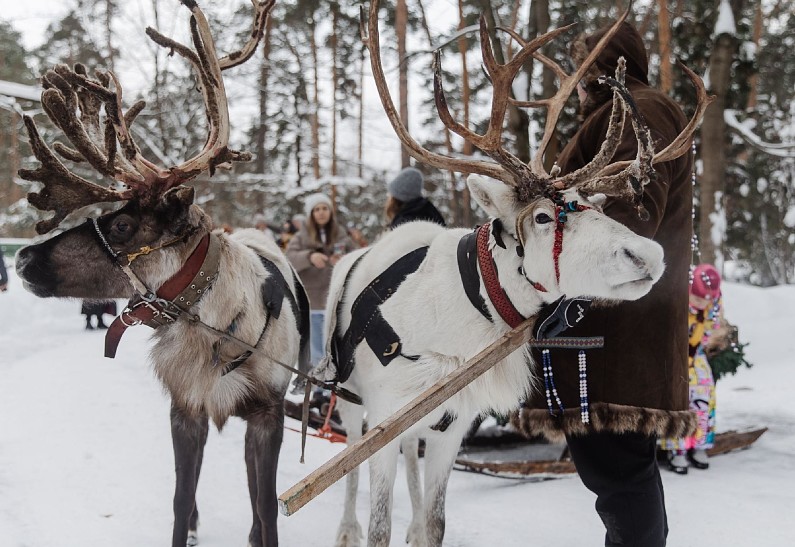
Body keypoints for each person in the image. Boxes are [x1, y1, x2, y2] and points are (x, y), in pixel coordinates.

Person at [515, 21, 695, 547]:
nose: (573, 74)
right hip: (609, 330)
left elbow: (631, 217)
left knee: (618, 473)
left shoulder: (636, 110)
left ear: (606, 62)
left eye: (581, 61)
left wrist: (564, 292)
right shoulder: (616, 114)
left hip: (615, 333)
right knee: (618, 475)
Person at [660, 264, 722, 474]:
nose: (701, 301)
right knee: (680, 396)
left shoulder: (712, 305)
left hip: (697, 357)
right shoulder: (678, 300)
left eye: (706, 298)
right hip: (677, 355)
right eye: (697, 297)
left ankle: (700, 444)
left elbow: (713, 329)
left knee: (704, 394)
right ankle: (677, 449)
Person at [286, 193, 355, 370]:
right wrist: (310, 257)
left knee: (338, 343)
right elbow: (289, 258)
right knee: (316, 345)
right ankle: (318, 384)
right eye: (317, 209)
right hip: (313, 301)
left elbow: (356, 257)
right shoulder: (301, 237)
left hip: (338, 299)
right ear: (311, 214)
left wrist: (342, 259)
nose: (321, 213)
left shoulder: (341, 235)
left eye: (324, 208)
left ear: (330, 212)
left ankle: (338, 380)